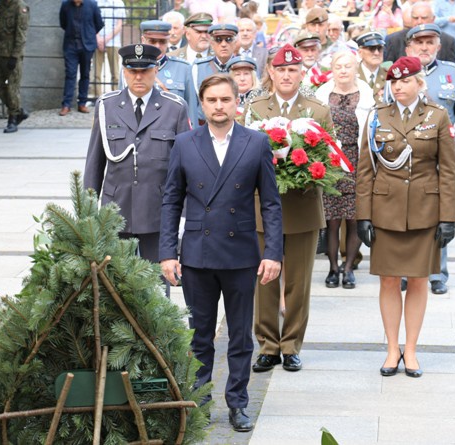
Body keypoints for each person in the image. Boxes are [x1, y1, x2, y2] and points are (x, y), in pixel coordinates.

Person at [159, 73, 283, 432]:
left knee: (241, 336)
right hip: (197, 254)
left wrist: (273, 252)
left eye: (225, 100)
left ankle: (238, 403)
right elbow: (171, 200)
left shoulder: (256, 143)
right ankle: (199, 401)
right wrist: (168, 252)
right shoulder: (184, 143)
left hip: (241, 253)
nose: (218, 106)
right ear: (202, 104)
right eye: (212, 100)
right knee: (200, 335)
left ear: (236, 103)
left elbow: (272, 204)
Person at [356, 56, 455, 379]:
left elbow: (447, 171)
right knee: (388, 280)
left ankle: (411, 349)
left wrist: (448, 217)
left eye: (405, 80)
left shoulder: (437, 116)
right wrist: (363, 216)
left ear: (419, 83)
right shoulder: (377, 116)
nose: (398, 86)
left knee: (417, 280)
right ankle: (391, 348)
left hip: (424, 211)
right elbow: (364, 170)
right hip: (385, 211)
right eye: (394, 81)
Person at [244, 45, 333, 373]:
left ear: (301, 73)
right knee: (264, 280)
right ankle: (267, 345)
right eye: (280, 69)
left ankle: (292, 344)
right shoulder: (254, 108)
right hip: (262, 210)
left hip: (302, 206)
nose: (286, 75)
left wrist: (306, 169)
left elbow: (329, 158)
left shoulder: (318, 111)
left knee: (298, 282)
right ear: (270, 71)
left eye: (292, 70)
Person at [84, 44, 191, 273]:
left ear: (156, 70)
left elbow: (186, 168)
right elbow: (95, 161)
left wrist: (183, 215)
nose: (139, 76)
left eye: (145, 70)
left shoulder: (175, 108)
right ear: (124, 71)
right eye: (133, 71)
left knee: (157, 284)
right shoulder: (106, 106)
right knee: (117, 284)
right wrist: (88, 209)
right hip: (115, 209)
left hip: (158, 210)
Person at [404, 23, 455, 294]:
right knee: (405, 211)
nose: (424, 47)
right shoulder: (400, 74)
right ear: (409, 47)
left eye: (429, 42)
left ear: (438, 46)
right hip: (405, 155)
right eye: (419, 42)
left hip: (441, 155)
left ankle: (437, 273)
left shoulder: (452, 73)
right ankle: (406, 269)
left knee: (440, 213)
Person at [315, 50, 374, 289]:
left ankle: (349, 268)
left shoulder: (367, 95)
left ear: (356, 68)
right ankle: (332, 268)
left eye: (347, 66)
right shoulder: (322, 94)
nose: (342, 70)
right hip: (331, 164)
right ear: (332, 68)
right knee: (332, 220)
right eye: (338, 66)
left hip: (357, 162)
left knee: (353, 218)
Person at [0, 0, 29, 133]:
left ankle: (12, 119)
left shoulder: (20, 7)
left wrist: (15, 56)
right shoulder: (0, 5)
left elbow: (21, 35)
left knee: (13, 88)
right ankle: (18, 111)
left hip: (12, 56)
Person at [59, 0, 104, 116]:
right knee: (70, 74)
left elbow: (99, 23)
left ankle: (82, 103)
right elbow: (63, 23)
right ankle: (66, 104)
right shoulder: (65, 5)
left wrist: (89, 34)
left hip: (87, 46)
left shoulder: (92, 4)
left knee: (85, 74)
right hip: (70, 46)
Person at [384, 1, 455, 64]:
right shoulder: (394, 40)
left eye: (424, 18)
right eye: (415, 18)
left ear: (433, 19)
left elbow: (453, 72)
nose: (419, 22)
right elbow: (386, 73)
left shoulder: (447, 41)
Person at [93, 0, 125, 97]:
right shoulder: (95, 2)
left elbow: (119, 25)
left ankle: (116, 98)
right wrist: (98, 39)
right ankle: (97, 98)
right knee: (96, 73)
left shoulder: (118, 3)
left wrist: (105, 39)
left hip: (113, 41)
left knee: (115, 73)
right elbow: (92, 22)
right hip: (97, 40)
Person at [356, 30, 388, 103]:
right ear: (360, 52)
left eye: (379, 48)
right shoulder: (352, 75)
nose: (376, 53)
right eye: (372, 49)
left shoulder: (389, 76)